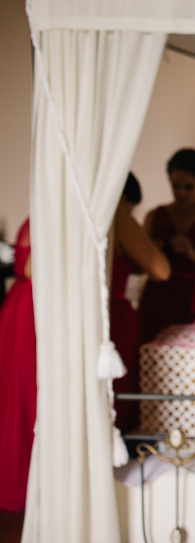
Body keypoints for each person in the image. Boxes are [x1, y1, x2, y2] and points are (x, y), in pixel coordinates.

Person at [137, 148, 195, 342]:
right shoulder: (155, 216)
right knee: (151, 353)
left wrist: (192, 253)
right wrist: (154, 250)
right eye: (175, 185)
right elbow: (138, 266)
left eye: (188, 187)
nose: (181, 193)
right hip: (158, 296)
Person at [110, 173, 171, 433]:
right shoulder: (119, 218)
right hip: (114, 314)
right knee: (119, 385)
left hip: (74, 314)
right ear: (124, 198)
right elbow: (161, 270)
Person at [0, 219, 36, 517]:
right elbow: (28, 269)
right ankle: (22, 485)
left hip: (31, 310)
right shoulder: (37, 221)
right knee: (22, 397)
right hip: (27, 314)